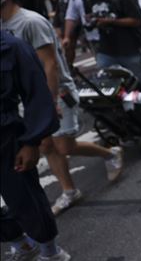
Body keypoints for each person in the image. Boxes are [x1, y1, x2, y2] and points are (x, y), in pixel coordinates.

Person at [1, 0, 124, 216]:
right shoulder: (3, 26)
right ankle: (70, 191)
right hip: (28, 98)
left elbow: (50, 65)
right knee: (46, 145)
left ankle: (110, 153)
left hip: (56, 92)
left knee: (64, 145)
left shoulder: (30, 22)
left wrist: (49, 102)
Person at [1, 30, 71, 261]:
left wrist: (32, 141)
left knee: (25, 197)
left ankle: (50, 252)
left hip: (7, 137)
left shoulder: (12, 46)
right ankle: (20, 244)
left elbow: (37, 94)